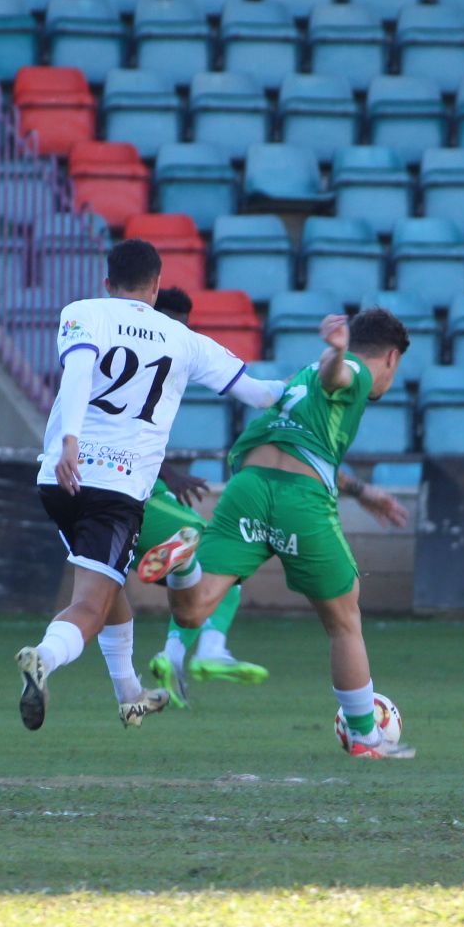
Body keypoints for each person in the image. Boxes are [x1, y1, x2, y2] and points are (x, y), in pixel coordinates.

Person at [15, 240, 286, 733]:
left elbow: (77, 372)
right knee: (91, 604)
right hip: (117, 490)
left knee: (108, 583)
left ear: (107, 283)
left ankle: (130, 695)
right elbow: (263, 394)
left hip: (59, 479)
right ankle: (46, 658)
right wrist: (318, 382)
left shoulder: (82, 312)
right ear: (157, 287)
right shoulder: (185, 340)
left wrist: (70, 441)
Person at [167, 308, 415, 758]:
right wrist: (338, 352)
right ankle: (364, 734)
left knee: (195, 609)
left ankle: (182, 565)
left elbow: (301, 440)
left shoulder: (299, 378)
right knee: (344, 617)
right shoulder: (355, 369)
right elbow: (337, 375)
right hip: (298, 501)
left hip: (246, 487)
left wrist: (362, 492)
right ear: (392, 358)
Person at [123, 287, 270, 701]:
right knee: (218, 556)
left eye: (183, 324)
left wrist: (171, 473)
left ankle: (169, 656)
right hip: (129, 487)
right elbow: (126, 430)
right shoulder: (142, 351)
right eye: (170, 320)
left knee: (196, 577)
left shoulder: (170, 353)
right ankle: (210, 649)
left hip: (122, 485)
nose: (176, 330)